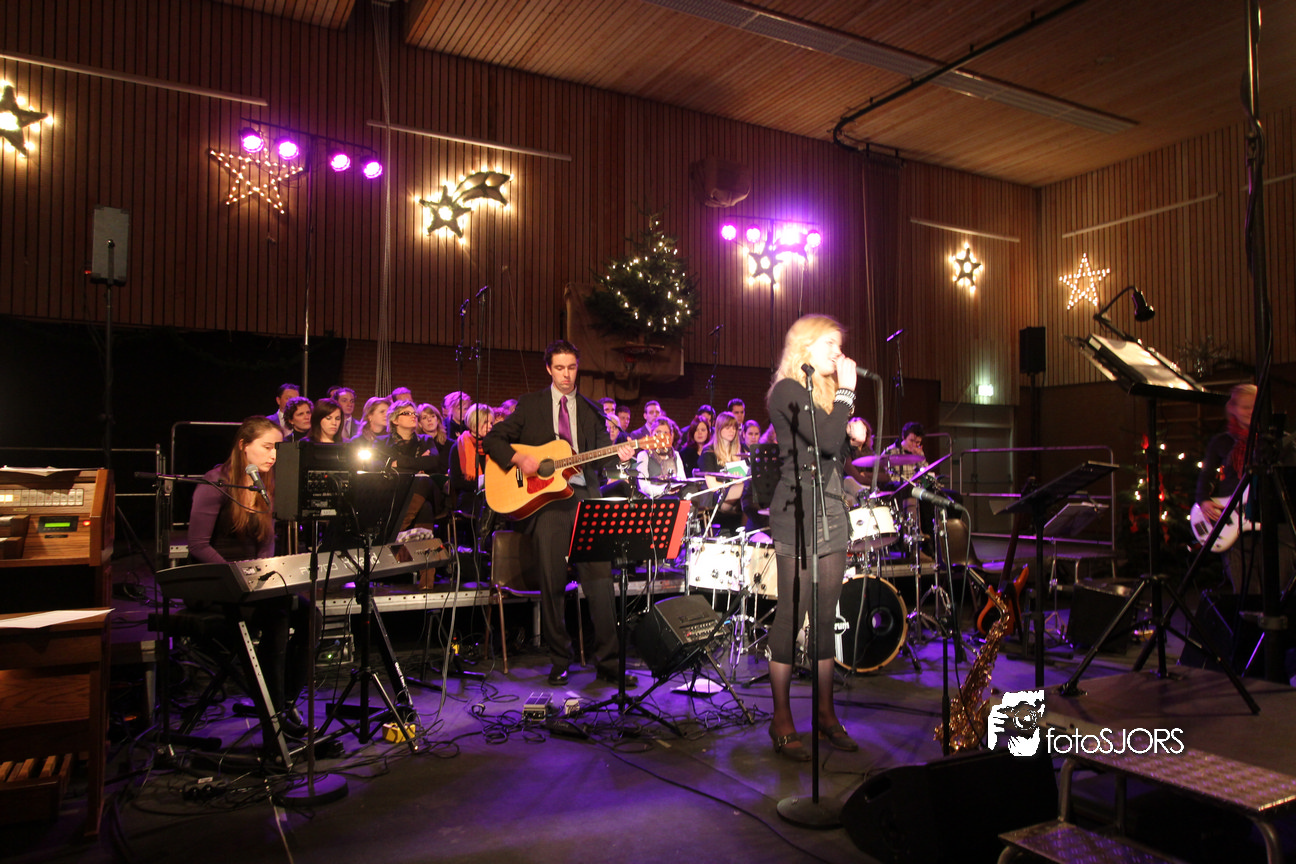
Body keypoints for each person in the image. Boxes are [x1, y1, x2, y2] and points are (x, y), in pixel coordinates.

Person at [483, 339, 637, 688]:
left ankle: (609, 663)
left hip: (585, 500)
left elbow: (602, 453)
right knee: (551, 583)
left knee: (600, 583)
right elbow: (492, 440)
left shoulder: (591, 409)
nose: (567, 375)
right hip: (547, 503)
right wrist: (519, 458)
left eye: (572, 368)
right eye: (560, 368)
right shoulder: (530, 405)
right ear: (549, 369)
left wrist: (620, 453)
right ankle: (559, 661)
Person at [765, 314, 859, 761]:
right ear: (805, 347)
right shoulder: (786, 390)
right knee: (792, 615)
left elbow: (834, 452)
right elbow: (822, 441)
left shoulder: (824, 394)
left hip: (832, 512)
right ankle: (781, 718)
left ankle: (825, 713)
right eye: (830, 345)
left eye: (840, 346)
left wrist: (855, 437)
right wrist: (847, 394)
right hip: (797, 514)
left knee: (825, 617)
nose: (838, 354)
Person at [187, 417, 317, 736]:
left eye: (277, 449)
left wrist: (264, 577)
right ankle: (274, 711)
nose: (273, 455)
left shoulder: (265, 485)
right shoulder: (215, 483)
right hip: (216, 583)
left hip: (249, 582)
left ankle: (284, 701)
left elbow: (265, 543)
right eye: (268, 447)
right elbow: (198, 546)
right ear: (244, 446)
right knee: (277, 613)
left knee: (310, 615)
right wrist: (238, 579)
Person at [1194, 383, 1295, 595]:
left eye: (1255, 407)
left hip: (1277, 530)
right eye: (1245, 407)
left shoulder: (1284, 443)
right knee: (1245, 594)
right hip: (1237, 532)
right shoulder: (1222, 442)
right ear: (1233, 408)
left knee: (1280, 593)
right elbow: (1206, 476)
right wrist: (1203, 500)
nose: (1250, 412)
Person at [701, 411, 746, 535]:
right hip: (718, 497)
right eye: (728, 427)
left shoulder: (741, 451)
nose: (732, 431)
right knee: (745, 486)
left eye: (734, 428)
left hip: (738, 498)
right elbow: (712, 486)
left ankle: (745, 535)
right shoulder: (709, 452)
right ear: (719, 429)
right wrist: (733, 483)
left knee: (750, 490)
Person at [448, 403, 495, 516]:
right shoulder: (459, 447)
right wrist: (481, 485)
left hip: (493, 493)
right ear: (474, 422)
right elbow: (456, 481)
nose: (490, 426)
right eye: (485, 422)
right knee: (485, 503)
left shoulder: (493, 445)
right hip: (469, 495)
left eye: (491, 423)